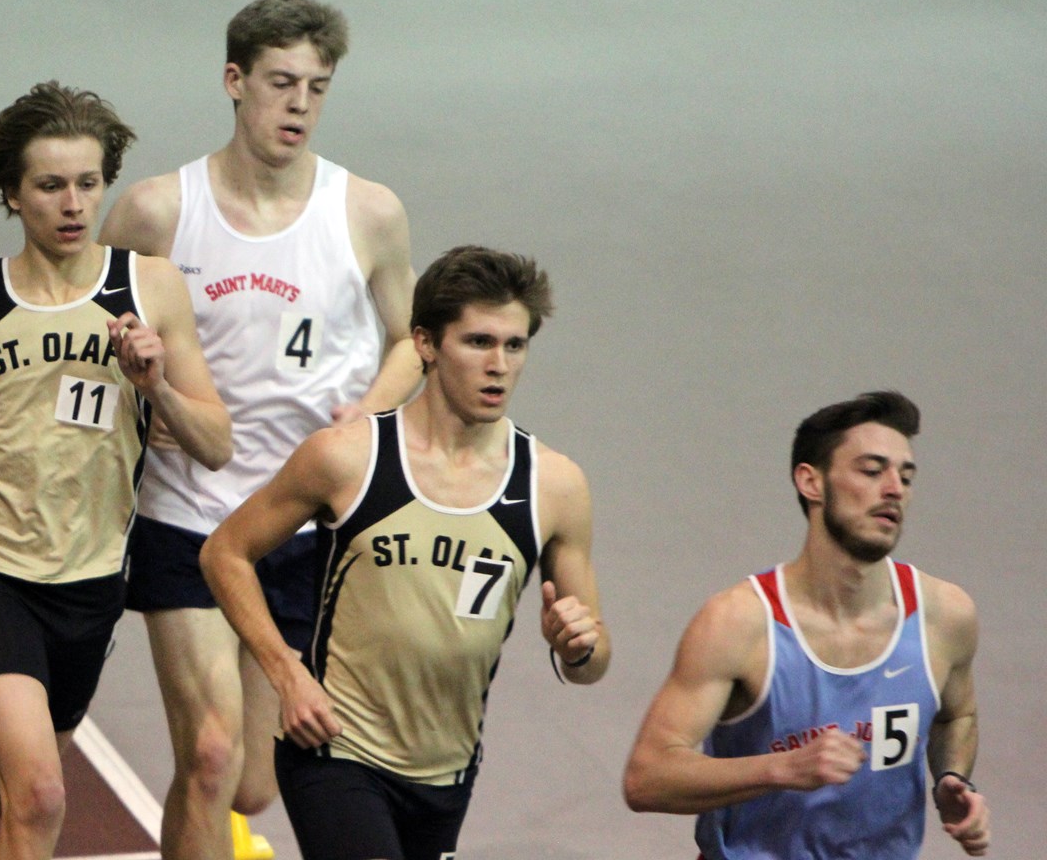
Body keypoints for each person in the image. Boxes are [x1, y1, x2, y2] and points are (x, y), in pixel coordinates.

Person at [97, 0, 418, 859]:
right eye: (282, 83)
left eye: (318, 87)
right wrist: (143, 405)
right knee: (208, 755)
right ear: (234, 81)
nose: (299, 105)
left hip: (308, 521)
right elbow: (94, 333)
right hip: (190, 511)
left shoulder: (368, 213)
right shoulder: (158, 212)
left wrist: (369, 411)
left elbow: (411, 341)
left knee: (252, 782)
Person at [0, 81, 232, 860]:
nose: (73, 204)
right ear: (12, 193)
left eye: (88, 183)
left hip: (93, 587)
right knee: (39, 797)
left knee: (2, 783)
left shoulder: (149, 288)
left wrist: (157, 386)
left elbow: (215, 445)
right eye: (49, 186)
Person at [200, 246, 610, 860]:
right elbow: (225, 552)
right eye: (478, 342)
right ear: (424, 343)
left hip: (446, 774)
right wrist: (287, 673)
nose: (498, 365)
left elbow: (593, 662)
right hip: (335, 748)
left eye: (515, 345)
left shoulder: (553, 485)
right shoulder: (348, 458)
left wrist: (578, 645)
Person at [622, 391, 991, 858]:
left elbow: (957, 715)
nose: (894, 489)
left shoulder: (945, 615)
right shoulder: (739, 623)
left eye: (906, 476)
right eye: (872, 471)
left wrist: (952, 779)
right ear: (811, 482)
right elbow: (648, 777)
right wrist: (782, 768)